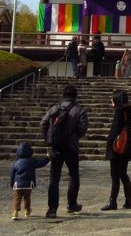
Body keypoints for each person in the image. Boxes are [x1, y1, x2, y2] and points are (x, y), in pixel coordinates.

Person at [40, 84, 88, 218]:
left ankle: (52, 209)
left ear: (63, 95)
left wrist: (48, 139)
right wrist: (74, 137)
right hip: (71, 148)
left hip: (56, 147)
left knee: (54, 179)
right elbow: (83, 127)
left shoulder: (54, 108)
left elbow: (43, 123)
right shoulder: (79, 110)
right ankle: (71, 204)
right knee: (73, 176)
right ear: (75, 96)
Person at [100, 90, 131, 211]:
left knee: (115, 175)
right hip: (125, 146)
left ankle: (113, 202)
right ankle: (128, 201)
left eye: (113, 98)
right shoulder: (128, 111)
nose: (111, 100)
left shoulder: (119, 111)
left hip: (117, 147)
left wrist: (109, 142)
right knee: (123, 174)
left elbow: (115, 130)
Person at [9, 141, 50, 220]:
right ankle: (27, 211)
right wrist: (47, 157)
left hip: (17, 185)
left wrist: (12, 184)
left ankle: (15, 212)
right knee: (27, 198)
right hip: (28, 184)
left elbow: (12, 175)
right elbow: (41, 163)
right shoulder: (32, 161)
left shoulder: (16, 163)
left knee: (17, 198)